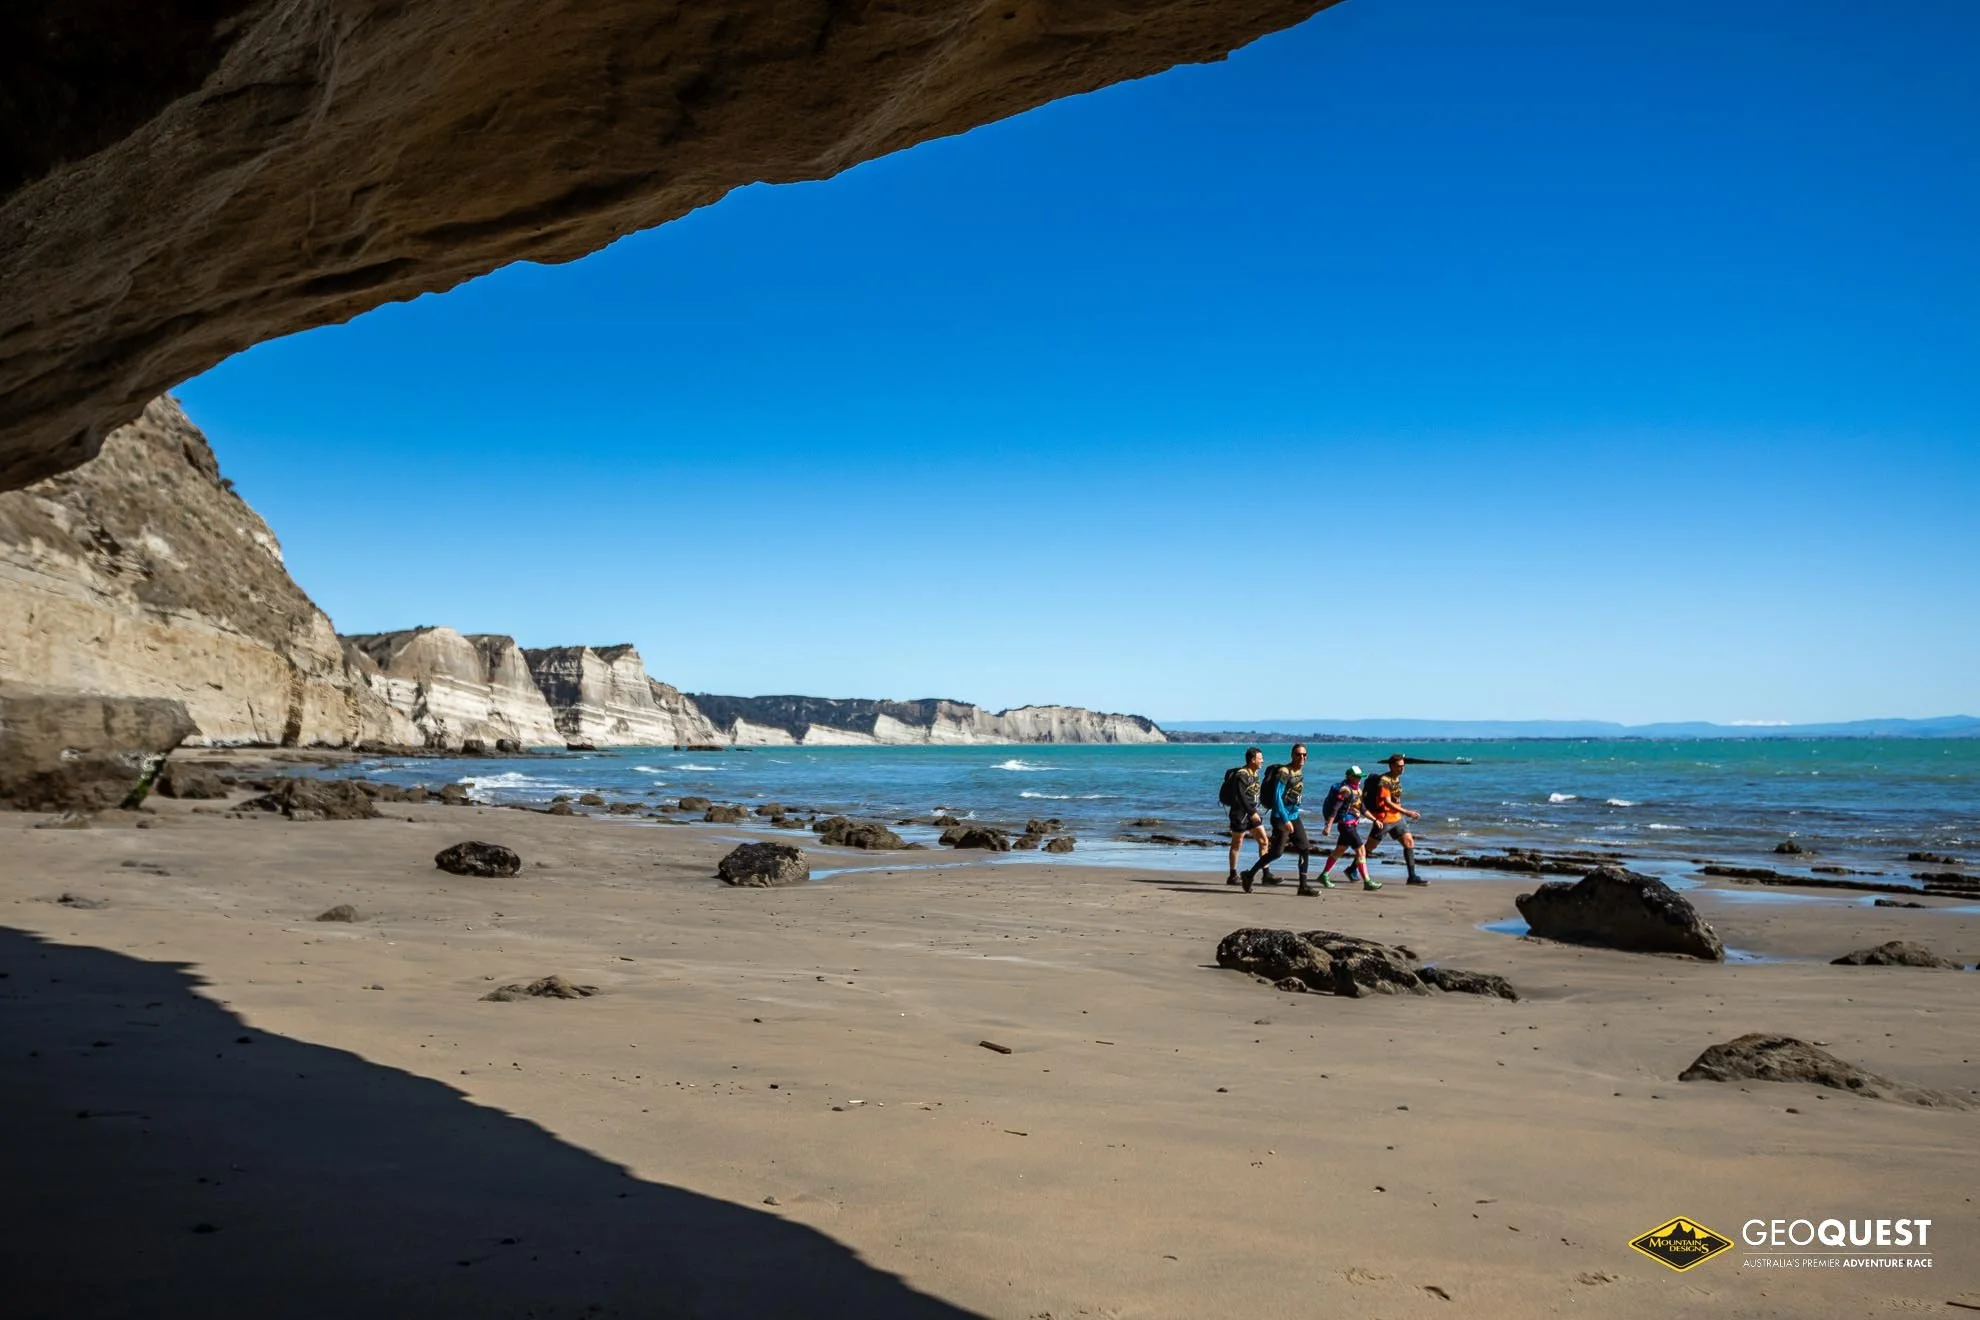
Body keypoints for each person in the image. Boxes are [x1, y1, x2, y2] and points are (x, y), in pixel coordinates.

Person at [1241, 744, 1318, 896]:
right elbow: (1277, 797)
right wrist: (1285, 819)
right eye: (1298, 754)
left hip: (1294, 816)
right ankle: (1249, 875)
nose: (1302, 757)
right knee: (1276, 853)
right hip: (1280, 817)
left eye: (1304, 755)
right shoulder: (1284, 772)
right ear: (1292, 755)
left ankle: (1303, 886)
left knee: (1304, 848)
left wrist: (1293, 816)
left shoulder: (1299, 771)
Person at [1315, 765, 1383, 890]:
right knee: (1361, 850)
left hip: (1352, 825)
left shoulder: (1358, 790)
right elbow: (1335, 809)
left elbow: (1362, 809)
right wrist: (1328, 826)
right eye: (1357, 777)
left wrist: (1375, 820)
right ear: (1350, 777)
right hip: (1346, 825)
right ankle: (1367, 882)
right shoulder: (1345, 790)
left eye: (1360, 777)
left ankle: (1323, 875)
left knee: (1340, 850)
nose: (1359, 779)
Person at [1362, 752, 1425, 885]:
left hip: (1397, 818)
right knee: (1369, 847)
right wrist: (1407, 812)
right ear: (1391, 766)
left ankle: (1412, 877)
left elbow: (1396, 798)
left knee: (1409, 842)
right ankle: (1352, 869)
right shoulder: (1384, 781)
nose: (1401, 769)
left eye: (1403, 766)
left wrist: (1402, 812)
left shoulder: (1396, 778)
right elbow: (1387, 802)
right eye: (1398, 766)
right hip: (1384, 819)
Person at [1219, 746, 1271, 885]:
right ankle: (1232, 875)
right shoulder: (1241, 774)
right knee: (1237, 843)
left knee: (1264, 841)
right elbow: (1240, 796)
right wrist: (1252, 812)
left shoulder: (1254, 773)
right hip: (1240, 813)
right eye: (1260, 758)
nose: (1262, 761)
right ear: (1253, 759)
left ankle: (1266, 874)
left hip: (1252, 813)